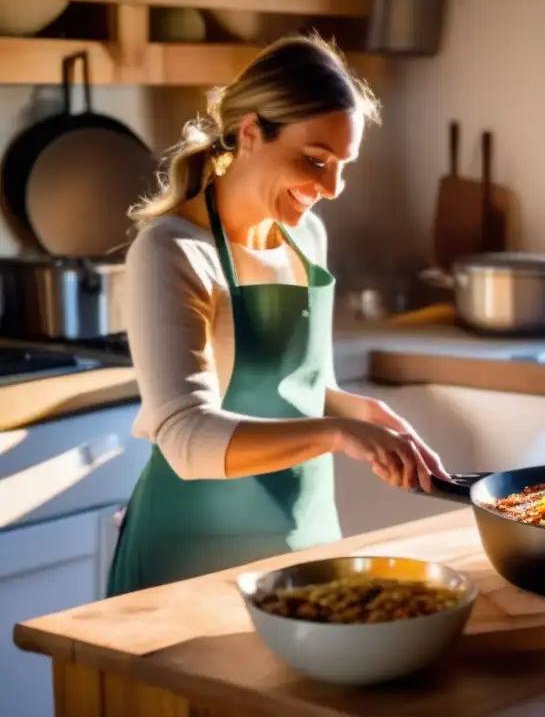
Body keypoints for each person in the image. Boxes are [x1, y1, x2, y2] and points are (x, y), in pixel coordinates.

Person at [106, 34, 450, 598]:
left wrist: (362, 414)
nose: (331, 188)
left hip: (304, 540)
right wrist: (340, 432)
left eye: (343, 165)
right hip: (189, 559)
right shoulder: (173, 251)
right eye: (314, 160)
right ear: (249, 133)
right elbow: (187, 439)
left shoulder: (307, 236)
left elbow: (302, 389)